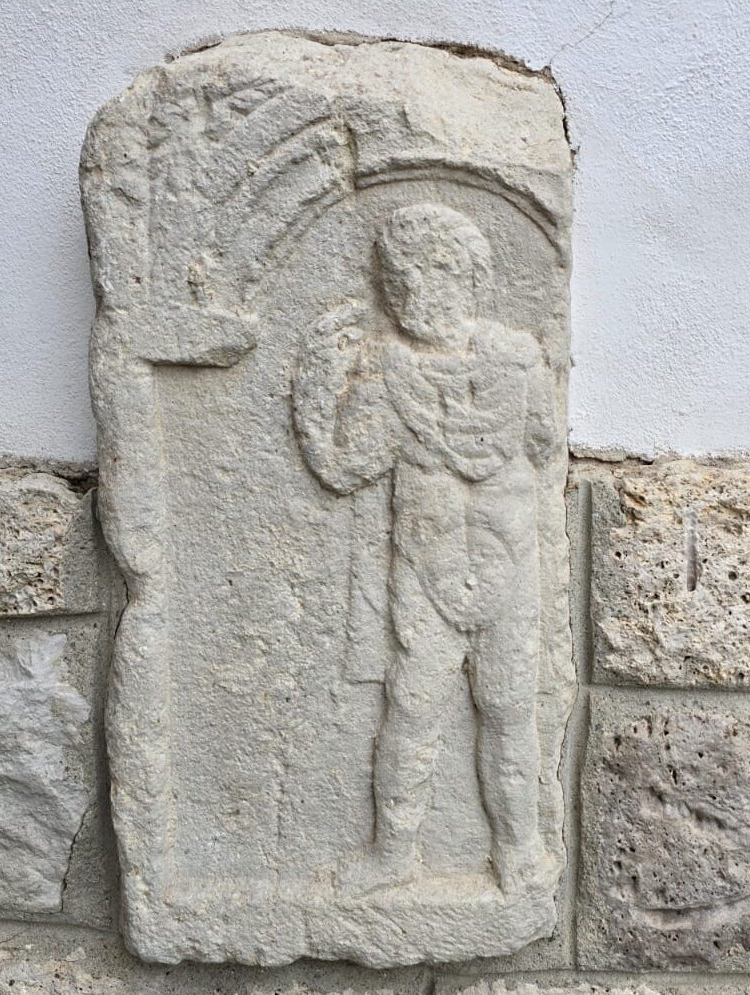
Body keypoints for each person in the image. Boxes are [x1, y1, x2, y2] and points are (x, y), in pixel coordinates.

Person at [293, 202, 557, 895]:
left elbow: (543, 448)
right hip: (426, 567)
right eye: (397, 277)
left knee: (509, 707)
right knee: (412, 707)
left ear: (471, 279)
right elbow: (344, 468)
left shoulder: (520, 366)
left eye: (433, 270)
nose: (412, 289)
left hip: (507, 565)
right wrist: (317, 392)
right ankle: (395, 853)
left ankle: (519, 849)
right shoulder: (388, 375)